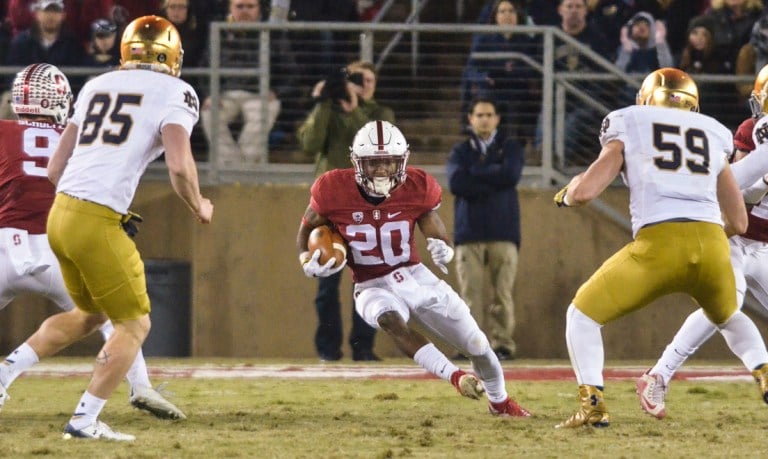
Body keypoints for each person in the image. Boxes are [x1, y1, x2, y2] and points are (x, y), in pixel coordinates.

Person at [552, 67, 768, 428]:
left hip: (658, 244)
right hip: (714, 245)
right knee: (727, 314)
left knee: (582, 316)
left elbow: (586, 191)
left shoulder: (630, 121)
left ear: (647, 99)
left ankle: (593, 405)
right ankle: (762, 369)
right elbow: (739, 221)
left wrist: (567, 195)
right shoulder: (714, 132)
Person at [45, 15, 213, 440]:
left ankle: (10, 370)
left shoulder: (97, 85)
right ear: (173, 55)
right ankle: (84, 419)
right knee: (135, 325)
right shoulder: (178, 91)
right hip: (95, 219)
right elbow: (179, 165)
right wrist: (199, 204)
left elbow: (54, 169)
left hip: (60, 213)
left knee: (93, 313)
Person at [296, 120, 530, 417]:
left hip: (414, 275)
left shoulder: (416, 186)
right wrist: (306, 259)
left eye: (388, 162)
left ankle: (500, 402)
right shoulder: (333, 189)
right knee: (391, 320)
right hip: (370, 285)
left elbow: (434, 226)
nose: (381, 170)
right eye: (373, 163)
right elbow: (305, 230)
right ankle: (456, 377)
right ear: (357, 163)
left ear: (401, 161)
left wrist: (443, 245)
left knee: (477, 344)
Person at [0, 63, 185, 422]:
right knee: (117, 319)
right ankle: (140, 385)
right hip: (57, 244)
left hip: (6, 244)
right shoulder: (81, 136)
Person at [637, 64, 768, 420]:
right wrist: (763, 175)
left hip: (766, 249)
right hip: (734, 240)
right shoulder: (754, 133)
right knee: (725, 304)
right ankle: (658, 375)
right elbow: (732, 188)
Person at [297, 60, 394, 362]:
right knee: (326, 281)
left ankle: (363, 347)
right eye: (355, 78)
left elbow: (376, 147)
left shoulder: (380, 114)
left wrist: (354, 112)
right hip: (329, 206)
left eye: (367, 79)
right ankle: (328, 349)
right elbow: (309, 142)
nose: (362, 84)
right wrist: (325, 102)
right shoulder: (332, 109)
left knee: (368, 281)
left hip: (366, 205)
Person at [446, 98, 524, 361]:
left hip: (504, 232)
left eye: (489, 114)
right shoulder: (460, 151)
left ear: (497, 118)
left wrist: (476, 173)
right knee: (469, 297)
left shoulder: (510, 147)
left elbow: (511, 176)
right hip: (469, 234)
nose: (484, 119)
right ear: (470, 118)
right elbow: (457, 183)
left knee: (502, 296)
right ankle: (469, 345)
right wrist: (494, 177)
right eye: (479, 115)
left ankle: (502, 345)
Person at [199, 0, 299, 164]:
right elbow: (204, 69)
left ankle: (242, 168)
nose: (245, 10)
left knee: (265, 112)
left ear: (259, 9)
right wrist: (210, 94)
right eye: (239, 6)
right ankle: (234, 166)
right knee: (209, 113)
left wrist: (276, 92)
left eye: (250, 6)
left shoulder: (273, 33)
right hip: (224, 94)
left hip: (260, 94)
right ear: (230, 9)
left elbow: (291, 73)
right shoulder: (219, 32)